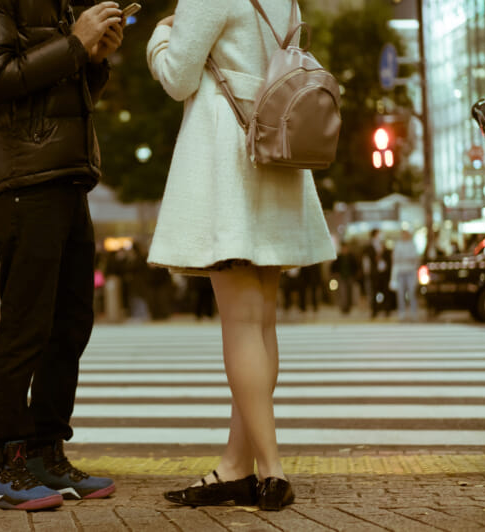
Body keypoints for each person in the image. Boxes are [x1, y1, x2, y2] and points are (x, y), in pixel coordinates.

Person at [146, 0, 336, 511]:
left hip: (229, 164)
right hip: (274, 151)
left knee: (240, 325)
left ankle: (272, 471)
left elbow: (178, 77)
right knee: (261, 324)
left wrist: (158, 39)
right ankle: (236, 466)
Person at [0, 0, 124, 511]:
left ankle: (44, 453)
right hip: (25, 181)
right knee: (26, 326)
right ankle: (0, 464)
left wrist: (93, 57)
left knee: (70, 324)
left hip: (69, 175)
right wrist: (75, 42)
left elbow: (68, 96)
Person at [390, 229, 420, 322]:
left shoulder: (412, 245)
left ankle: (413, 312)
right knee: (400, 293)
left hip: (410, 271)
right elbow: (396, 258)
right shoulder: (398, 245)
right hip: (400, 272)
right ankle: (401, 313)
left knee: (411, 292)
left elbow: (415, 257)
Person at [364, 229, 392, 318]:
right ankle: (374, 311)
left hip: (384, 272)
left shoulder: (384, 245)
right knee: (374, 291)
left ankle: (387, 310)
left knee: (385, 291)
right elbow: (370, 258)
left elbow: (388, 257)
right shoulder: (370, 246)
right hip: (375, 273)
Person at [330, 241, 359, 315]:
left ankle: (349, 307)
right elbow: (333, 267)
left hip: (350, 277)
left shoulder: (351, 256)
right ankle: (344, 307)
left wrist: (355, 275)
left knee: (349, 292)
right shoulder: (339, 257)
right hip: (342, 277)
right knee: (343, 292)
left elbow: (356, 266)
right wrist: (335, 273)